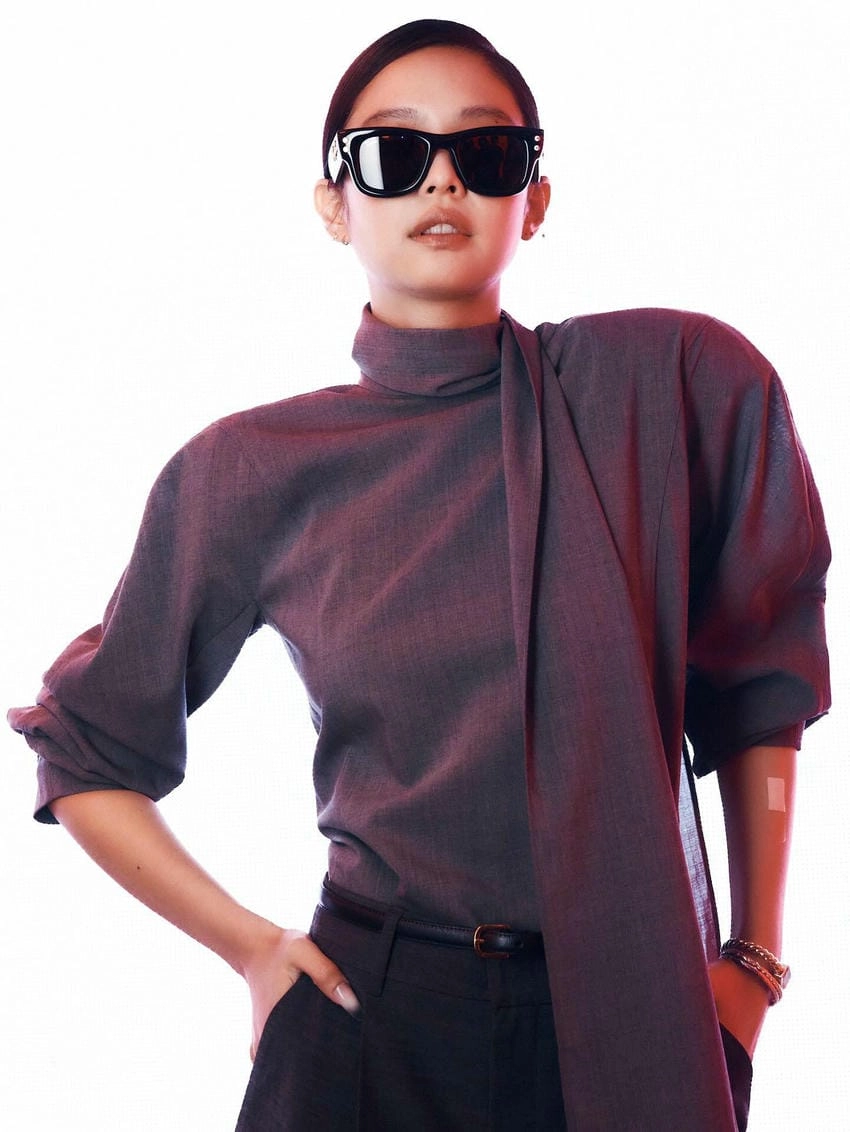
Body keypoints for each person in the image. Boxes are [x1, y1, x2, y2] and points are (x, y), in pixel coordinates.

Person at [8, 18, 830, 1132]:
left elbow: (760, 686)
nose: (442, 179)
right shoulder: (251, 467)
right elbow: (85, 750)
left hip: (637, 1004)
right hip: (375, 1014)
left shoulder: (675, 382)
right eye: (394, 153)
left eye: (486, 153)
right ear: (333, 203)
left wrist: (754, 963)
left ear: (534, 198)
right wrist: (251, 948)